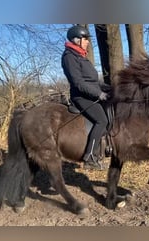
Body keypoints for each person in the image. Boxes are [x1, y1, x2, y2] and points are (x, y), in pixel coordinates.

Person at [61, 25, 110, 170]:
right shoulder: (69, 57)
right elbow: (78, 83)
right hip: (81, 97)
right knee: (102, 120)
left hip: (91, 93)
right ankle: (90, 157)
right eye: (86, 39)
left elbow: (93, 81)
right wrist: (98, 94)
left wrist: (108, 88)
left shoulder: (81, 56)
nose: (88, 41)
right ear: (77, 40)